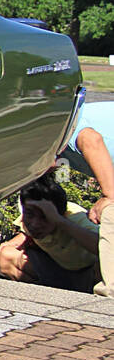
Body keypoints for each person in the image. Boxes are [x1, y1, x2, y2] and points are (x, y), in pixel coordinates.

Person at [0, 170, 101, 291]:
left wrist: (59, 221)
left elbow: (105, 246)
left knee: (104, 263)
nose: (35, 224)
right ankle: (38, 295)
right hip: (56, 269)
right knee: (5, 255)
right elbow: (23, 235)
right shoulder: (28, 216)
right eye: (30, 214)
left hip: (87, 275)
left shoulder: (76, 218)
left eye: (44, 217)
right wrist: (9, 246)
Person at [58, 94, 114, 295]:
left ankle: (111, 293)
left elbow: (91, 139)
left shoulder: (66, 127)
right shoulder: (60, 153)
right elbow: (59, 179)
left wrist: (108, 195)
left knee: (109, 210)